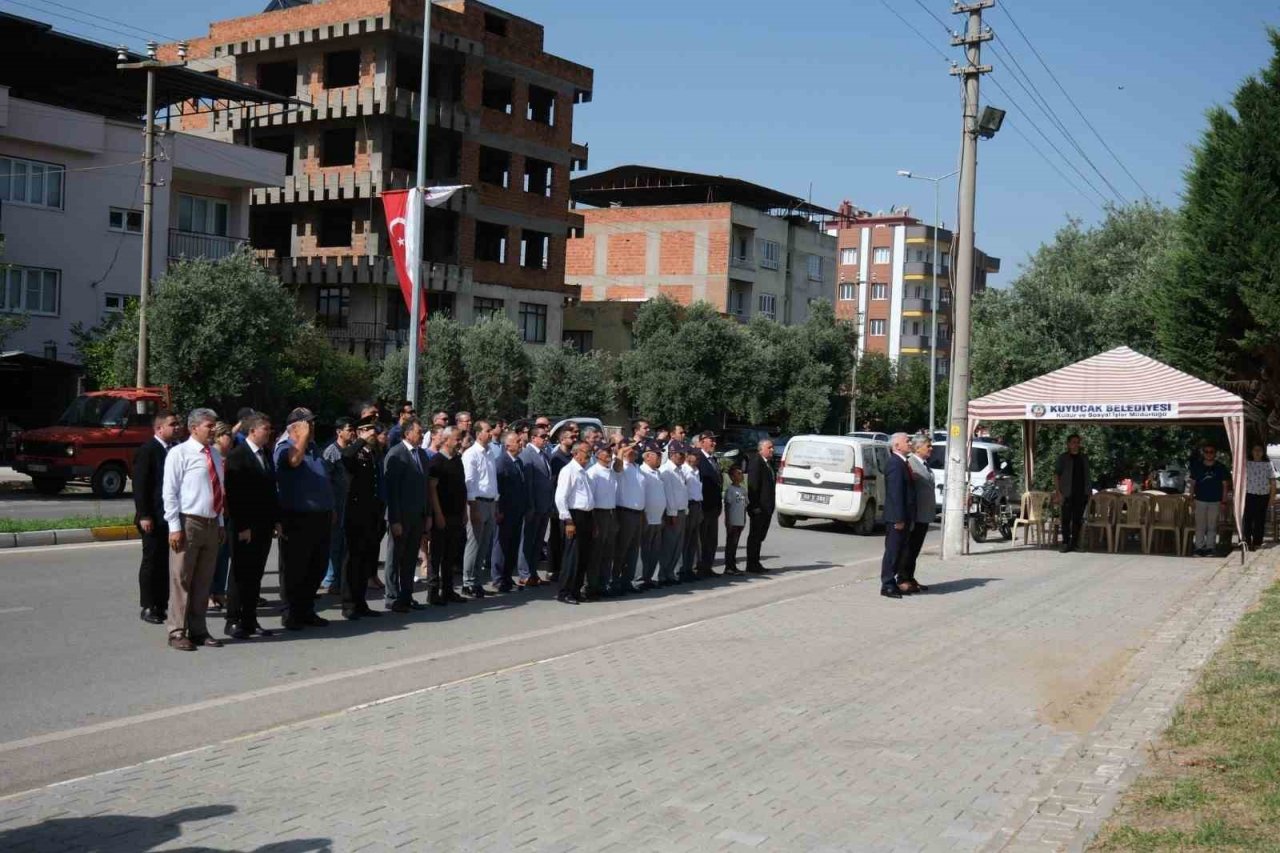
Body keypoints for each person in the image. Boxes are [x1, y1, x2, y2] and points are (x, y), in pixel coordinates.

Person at [161, 408, 226, 651]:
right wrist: (174, 527)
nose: (213, 430)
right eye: (209, 426)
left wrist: (219, 523)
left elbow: (218, 490)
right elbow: (170, 492)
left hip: (211, 523)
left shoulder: (215, 455)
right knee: (182, 579)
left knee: (203, 580)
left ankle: (198, 629)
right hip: (189, 523)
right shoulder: (179, 453)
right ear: (194, 428)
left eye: (214, 426)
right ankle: (177, 631)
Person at [274, 407, 335, 630]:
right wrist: (300, 438)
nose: (312, 426)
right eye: (307, 423)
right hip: (297, 516)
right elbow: (293, 462)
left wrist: (331, 507)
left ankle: (307, 610)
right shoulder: (285, 447)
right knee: (294, 568)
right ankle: (290, 613)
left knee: (316, 566)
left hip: (321, 515)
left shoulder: (313, 448)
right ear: (295, 427)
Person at [222, 413, 279, 639]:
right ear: (252, 431)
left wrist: (276, 520)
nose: (269, 432)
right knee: (240, 573)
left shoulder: (264, 454)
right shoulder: (238, 456)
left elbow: (269, 491)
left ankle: (250, 619)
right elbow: (235, 495)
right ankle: (233, 619)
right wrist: (243, 526)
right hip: (244, 526)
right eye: (266, 428)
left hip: (263, 525)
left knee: (255, 574)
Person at [134, 410, 179, 625]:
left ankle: (162, 604)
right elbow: (140, 485)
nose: (176, 427)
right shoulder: (148, 450)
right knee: (152, 562)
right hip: (152, 517)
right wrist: (144, 514)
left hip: (169, 517)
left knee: (165, 563)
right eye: (172, 424)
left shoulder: (175, 449)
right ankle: (148, 605)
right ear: (159, 428)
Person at [384, 417, 430, 612]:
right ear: (407, 433)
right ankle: (392, 597)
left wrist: (427, 515)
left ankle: (406, 595)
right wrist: (394, 519)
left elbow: (425, 487)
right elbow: (391, 491)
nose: (421, 435)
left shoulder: (422, 455)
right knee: (395, 557)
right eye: (419, 432)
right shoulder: (396, 454)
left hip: (417, 516)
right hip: (401, 516)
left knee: (411, 557)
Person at [339, 418, 384, 619]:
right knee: (352, 560)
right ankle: (349, 604)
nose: (372, 434)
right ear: (359, 432)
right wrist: (360, 441)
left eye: (373, 430)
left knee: (365, 559)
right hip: (355, 513)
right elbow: (345, 458)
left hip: (371, 513)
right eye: (368, 430)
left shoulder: (372, 453)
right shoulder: (353, 452)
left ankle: (361, 601)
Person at [428, 427, 468, 606]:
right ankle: (433, 591)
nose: (460, 442)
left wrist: (464, 511)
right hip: (442, 515)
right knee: (437, 554)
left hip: (456, 514)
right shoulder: (436, 462)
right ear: (445, 440)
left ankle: (448, 590)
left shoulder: (458, 460)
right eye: (457, 439)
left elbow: (462, 487)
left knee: (450, 554)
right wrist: (438, 514)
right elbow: (432, 490)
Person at [554, 439, 595, 604]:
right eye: (587, 452)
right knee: (572, 557)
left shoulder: (584, 471)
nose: (589, 456)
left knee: (583, 556)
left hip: (586, 516)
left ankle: (576, 590)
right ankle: (565, 591)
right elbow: (560, 497)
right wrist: (568, 520)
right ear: (576, 453)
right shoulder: (568, 470)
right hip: (574, 516)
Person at [462, 420, 498, 598]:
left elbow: (492, 481)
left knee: (484, 544)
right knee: (474, 544)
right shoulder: (471, 454)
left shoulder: (490, 453)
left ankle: (477, 581)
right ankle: (467, 582)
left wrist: (496, 504)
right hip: (477, 503)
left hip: (490, 502)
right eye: (487, 430)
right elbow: (469, 482)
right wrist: (473, 507)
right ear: (478, 434)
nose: (490, 433)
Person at [319, 418, 355, 595]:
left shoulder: (352, 449)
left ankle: (340, 579)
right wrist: (330, 505)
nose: (351, 432)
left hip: (349, 503)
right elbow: (326, 480)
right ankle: (331, 579)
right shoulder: (331, 451)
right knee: (335, 542)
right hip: (336, 503)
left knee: (345, 542)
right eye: (348, 429)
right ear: (339, 432)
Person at [880, 432, 917, 599]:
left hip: (904, 516)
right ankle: (887, 585)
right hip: (897, 517)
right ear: (896, 446)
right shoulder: (895, 463)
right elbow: (895, 494)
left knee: (900, 551)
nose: (910, 443)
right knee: (893, 552)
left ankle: (893, 581)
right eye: (907, 440)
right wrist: (898, 518)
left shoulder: (903, 462)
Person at [493, 430, 529, 593]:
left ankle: (507, 576)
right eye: (517, 441)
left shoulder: (519, 462)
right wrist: (499, 510)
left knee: (513, 545)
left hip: (517, 510)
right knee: (501, 544)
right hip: (505, 511)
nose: (521, 444)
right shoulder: (501, 462)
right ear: (508, 445)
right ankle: (498, 578)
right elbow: (498, 488)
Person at [518, 426, 553, 588]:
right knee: (528, 540)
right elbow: (528, 484)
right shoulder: (527, 455)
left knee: (538, 542)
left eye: (546, 436)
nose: (546, 439)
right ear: (533, 438)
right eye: (543, 436)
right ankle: (524, 573)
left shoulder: (544, 454)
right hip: (534, 505)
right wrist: (530, 505)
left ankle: (533, 572)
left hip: (544, 505)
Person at [586, 443, 621, 599]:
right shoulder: (593, 473)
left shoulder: (611, 472)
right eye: (605, 452)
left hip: (611, 513)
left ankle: (603, 584)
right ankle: (591, 586)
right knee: (596, 553)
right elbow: (590, 498)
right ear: (597, 454)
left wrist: (619, 452)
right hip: (598, 513)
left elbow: (619, 466)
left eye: (610, 451)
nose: (609, 454)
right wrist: (593, 521)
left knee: (608, 552)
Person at [208, 423, 236, 613]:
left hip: (229, 512)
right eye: (227, 435)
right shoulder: (211, 457)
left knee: (224, 555)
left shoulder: (232, 458)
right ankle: (208, 594)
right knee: (212, 556)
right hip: (214, 511)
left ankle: (219, 591)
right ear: (218, 437)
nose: (231, 439)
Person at [902, 434, 935, 593]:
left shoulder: (924, 464)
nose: (931, 448)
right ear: (917, 447)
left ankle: (910, 577)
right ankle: (903, 578)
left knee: (915, 549)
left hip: (924, 514)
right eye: (928, 446)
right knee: (909, 548)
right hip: (915, 515)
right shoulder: (911, 464)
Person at [613, 442, 646, 595]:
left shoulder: (636, 467)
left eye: (635, 450)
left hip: (638, 513)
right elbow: (617, 467)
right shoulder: (621, 466)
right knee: (621, 549)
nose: (634, 452)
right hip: (625, 513)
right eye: (630, 450)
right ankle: (615, 581)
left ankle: (628, 581)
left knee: (633, 550)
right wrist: (621, 450)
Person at [1190, 443, 1231, 557]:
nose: (1209, 454)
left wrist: (1224, 501)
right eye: (1206, 451)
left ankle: (1210, 548)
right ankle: (1199, 547)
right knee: (1200, 525)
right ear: (1203, 453)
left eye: (1211, 451)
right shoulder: (1197, 466)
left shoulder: (1221, 467)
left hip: (1215, 500)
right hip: (1200, 499)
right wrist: (1191, 498)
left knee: (1212, 526)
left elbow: (1225, 485)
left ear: (1215, 453)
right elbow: (1192, 484)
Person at [1053, 434, 1092, 553]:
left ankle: (1075, 543)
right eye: (1073, 442)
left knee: (1077, 520)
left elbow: (1088, 475)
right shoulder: (1063, 458)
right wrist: (1058, 492)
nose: (1076, 445)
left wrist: (1089, 492)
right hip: (1066, 493)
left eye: (1077, 442)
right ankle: (1065, 543)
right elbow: (1056, 475)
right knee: (1066, 519)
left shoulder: (1084, 458)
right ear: (1068, 444)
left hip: (1081, 494)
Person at [547, 427, 576, 581]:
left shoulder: (571, 457)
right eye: (571, 437)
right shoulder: (556, 458)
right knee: (556, 538)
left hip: (569, 503)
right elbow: (554, 483)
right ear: (562, 439)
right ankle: (553, 569)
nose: (574, 439)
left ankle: (563, 568)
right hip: (558, 504)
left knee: (565, 539)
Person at [659, 441, 690, 585]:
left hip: (682, 511)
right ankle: (662, 574)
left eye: (684, 454)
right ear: (672, 454)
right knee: (669, 545)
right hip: (673, 513)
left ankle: (670, 572)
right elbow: (669, 494)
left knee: (677, 545)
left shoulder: (680, 470)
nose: (683, 457)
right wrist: (672, 513)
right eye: (680, 454)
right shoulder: (666, 470)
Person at [745, 439, 777, 574]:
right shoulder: (756, 462)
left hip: (767, 507)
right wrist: (754, 506)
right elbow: (753, 486)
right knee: (755, 536)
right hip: (759, 508)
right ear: (761, 449)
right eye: (769, 447)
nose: (772, 450)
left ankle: (755, 562)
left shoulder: (768, 463)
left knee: (760, 536)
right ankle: (751, 564)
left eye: (772, 447)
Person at [637, 446, 667, 590]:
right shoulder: (642, 472)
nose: (660, 458)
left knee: (654, 551)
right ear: (647, 457)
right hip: (647, 517)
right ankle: (640, 579)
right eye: (657, 455)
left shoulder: (657, 473)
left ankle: (649, 578)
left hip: (658, 518)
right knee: (643, 551)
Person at [695, 431, 722, 576]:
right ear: (701, 442)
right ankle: (698, 567)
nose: (714, 443)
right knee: (702, 539)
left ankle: (707, 567)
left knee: (712, 540)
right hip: (703, 506)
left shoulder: (713, 459)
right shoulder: (698, 459)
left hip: (714, 507)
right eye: (711, 440)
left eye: (714, 440)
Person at [1243, 444, 1274, 550]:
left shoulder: (1268, 464)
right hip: (1249, 494)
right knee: (1248, 519)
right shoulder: (1247, 463)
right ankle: (1247, 540)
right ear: (1251, 451)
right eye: (1255, 450)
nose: (1257, 452)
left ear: (1263, 452)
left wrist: (1272, 498)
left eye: (1259, 450)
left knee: (1260, 520)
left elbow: (1273, 481)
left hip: (1263, 495)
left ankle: (1257, 542)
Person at [680, 446, 704, 582]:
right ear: (688, 456)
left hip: (697, 504)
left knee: (693, 540)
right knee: (685, 539)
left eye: (699, 456)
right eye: (695, 455)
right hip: (688, 505)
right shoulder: (684, 469)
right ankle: (682, 569)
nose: (697, 458)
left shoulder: (696, 470)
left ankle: (690, 568)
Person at [722, 466, 747, 575]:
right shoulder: (731, 490)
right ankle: (729, 566)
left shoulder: (743, 490)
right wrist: (728, 520)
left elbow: (744, 505)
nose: (741, 475)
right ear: (732, 477)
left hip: (740, 520)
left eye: (741, 473)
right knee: (731, 543)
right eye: (738, 473)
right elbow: (727, 505)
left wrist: (744, 519)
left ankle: (733, 565)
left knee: (735, 543)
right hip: (733, 520)